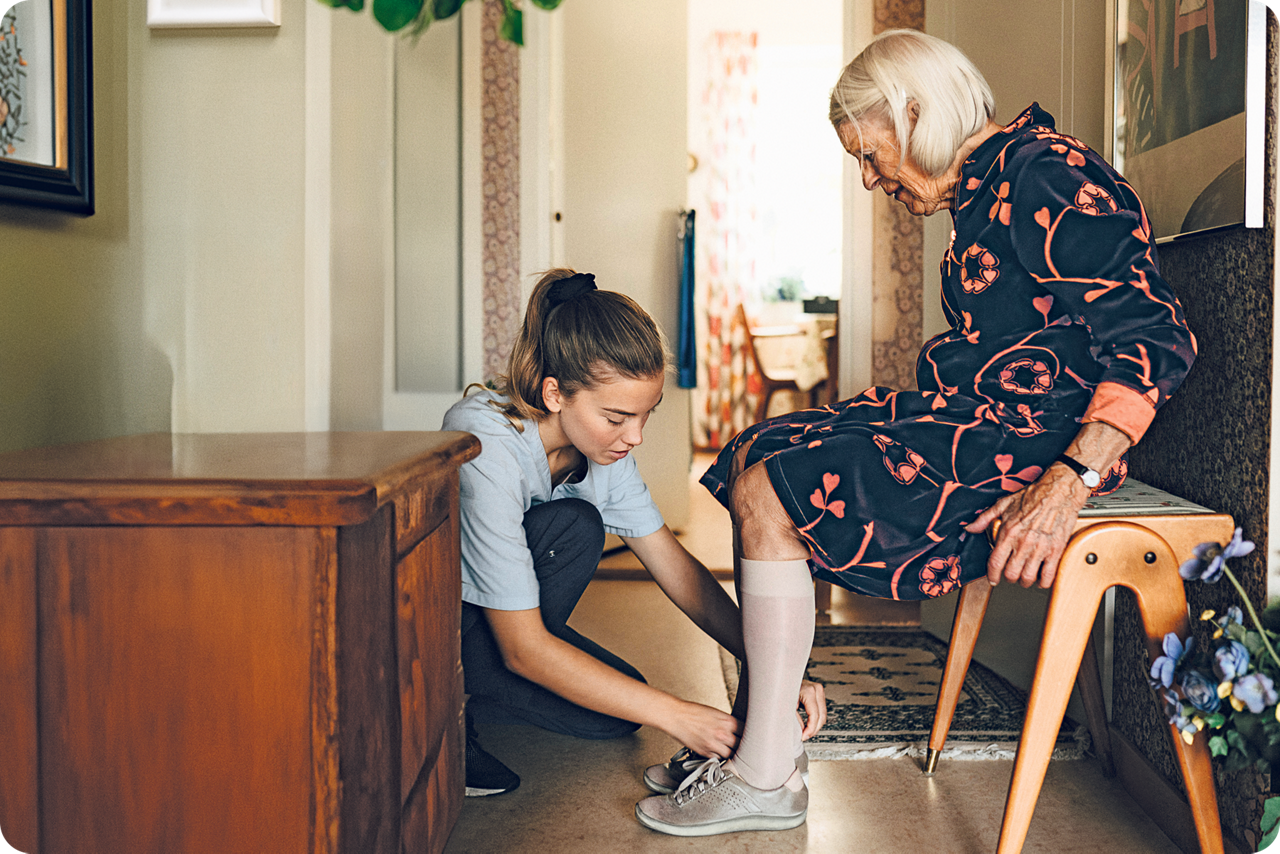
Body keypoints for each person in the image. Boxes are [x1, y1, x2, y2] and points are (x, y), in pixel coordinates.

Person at [634, 29, 1195, 836]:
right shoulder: (985, 187)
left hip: (1027, 454)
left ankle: (762, 775)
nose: (868, 179)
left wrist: (1065, 483)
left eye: (870, 154)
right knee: (755, 451)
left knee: (774, 488)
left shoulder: (1047, 174)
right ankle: (769, 742)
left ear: (916, 112)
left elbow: (1157, 339)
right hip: (973, 424)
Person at [442, 268, 826, 796]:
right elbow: (524, 648)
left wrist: (775, 665)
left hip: (507, 634)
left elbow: (677, 569)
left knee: (618, 716)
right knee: (574, 526)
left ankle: (484, 687)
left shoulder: (601, 451)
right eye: (618, 417)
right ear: (555, 394)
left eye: (645, 415)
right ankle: (445, 710)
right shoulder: (486, 440)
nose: (636, 436)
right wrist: (684, 718)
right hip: (440, 634)